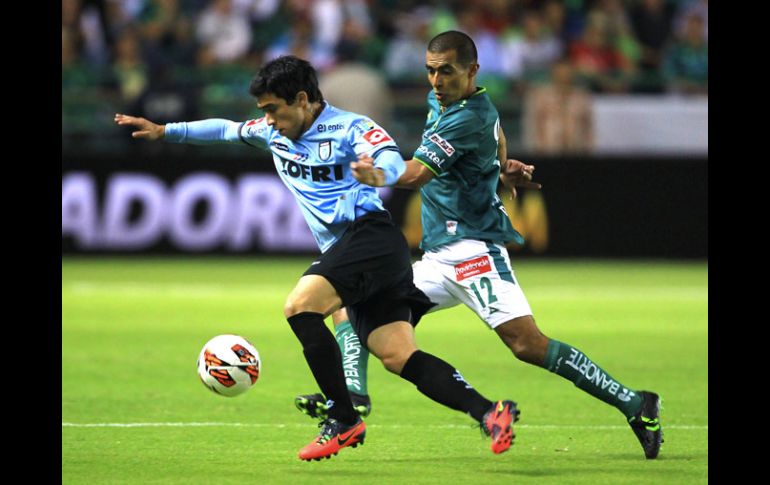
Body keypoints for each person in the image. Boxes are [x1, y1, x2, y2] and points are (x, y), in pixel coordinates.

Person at [114, 55, 518, 461]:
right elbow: (227, 129)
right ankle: (488, 412)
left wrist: (378, 173)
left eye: (274, 109)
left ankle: (344, 419)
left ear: (303, 99)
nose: (269, 120)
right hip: (366, 254)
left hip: (370, 238)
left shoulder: (350, 128)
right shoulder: (273, 133)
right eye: (264, 111)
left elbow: (391, 157)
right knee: (396, 355)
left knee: (300, 307)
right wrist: (165, 130)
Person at [294, 31, 663, 460]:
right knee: (352, 301)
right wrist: (501, 169)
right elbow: (498, 133)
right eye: (430, 70)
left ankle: (637, 404)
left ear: (472, 70)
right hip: (436, 259)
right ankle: (353, 400)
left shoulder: (466, 116)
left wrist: (378, 176)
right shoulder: (450, 103)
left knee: (526, 344)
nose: (435, 80)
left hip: (474, 253)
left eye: (446, 71)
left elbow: (415, 174)